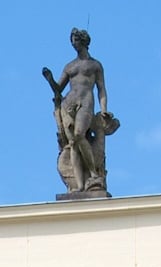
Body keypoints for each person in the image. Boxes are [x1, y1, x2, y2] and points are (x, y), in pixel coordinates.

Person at [42, 28, 115, 196]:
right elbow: (58, 89)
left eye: (75, 39)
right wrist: (50, 79)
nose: (73, 43)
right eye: (72, 40)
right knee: (73, 143)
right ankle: (80, 185)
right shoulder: (70, 66)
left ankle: (94, 174)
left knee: (80, 134)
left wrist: (103, 109)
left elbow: (102, 89)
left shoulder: (95, 65)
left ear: (83, 40)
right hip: (69, 103)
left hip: (86, 102)